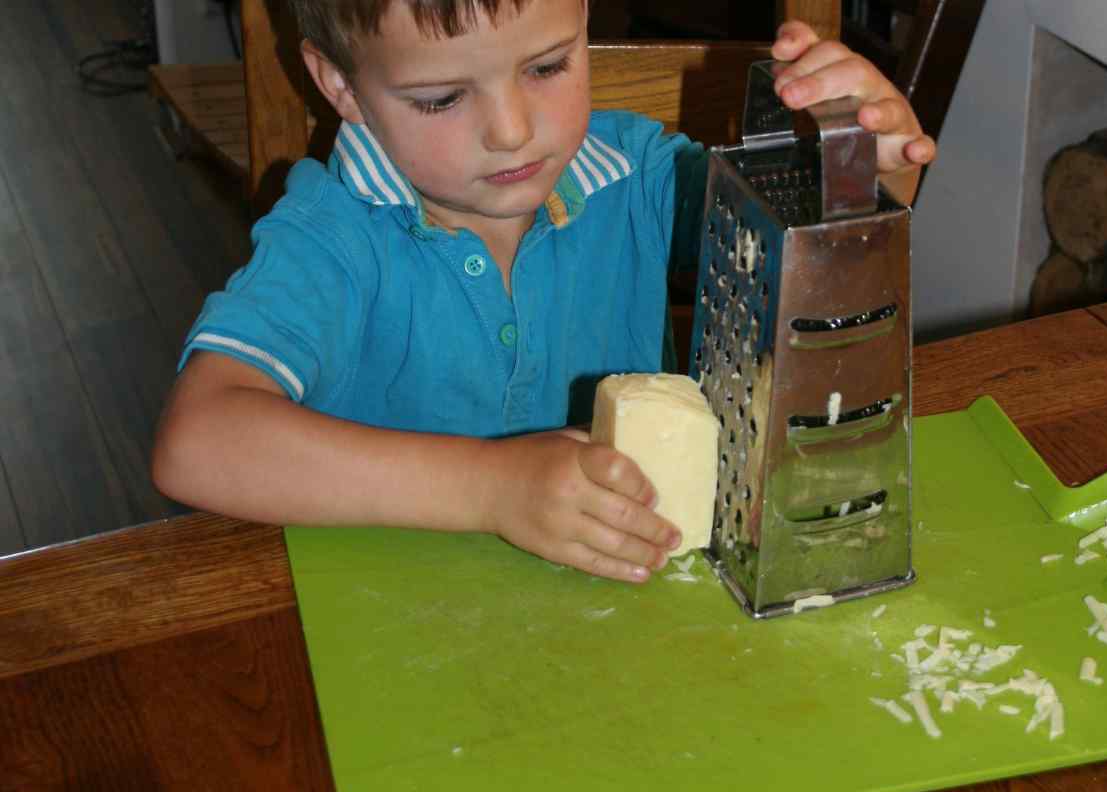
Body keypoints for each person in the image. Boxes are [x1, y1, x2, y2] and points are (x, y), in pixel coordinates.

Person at [151, 0, 936, 585]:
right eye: (440, 99)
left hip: (638, 599)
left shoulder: (636, 176)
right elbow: (197, 442)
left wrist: (872, 158)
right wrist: (492, 490)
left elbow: (805, 239)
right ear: (341, 86)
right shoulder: (331, 237)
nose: (512, 131)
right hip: (400, 616)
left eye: (547, 67)